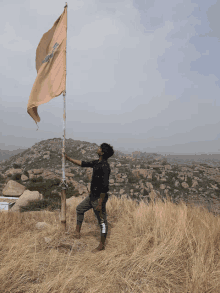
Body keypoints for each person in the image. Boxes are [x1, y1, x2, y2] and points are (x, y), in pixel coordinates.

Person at [65, 143, 114, 253]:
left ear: (102, 152)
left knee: (102, 222)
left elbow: (105, 187)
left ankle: (101, 245)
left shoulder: (105, 166)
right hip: (92, 196)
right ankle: (77, 232)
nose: (98, 148)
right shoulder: (97, 163)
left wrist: (100, 203)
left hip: (99, 199)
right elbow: (82, 163)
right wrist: (68, 158)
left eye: (100, 148)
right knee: (80, 209)